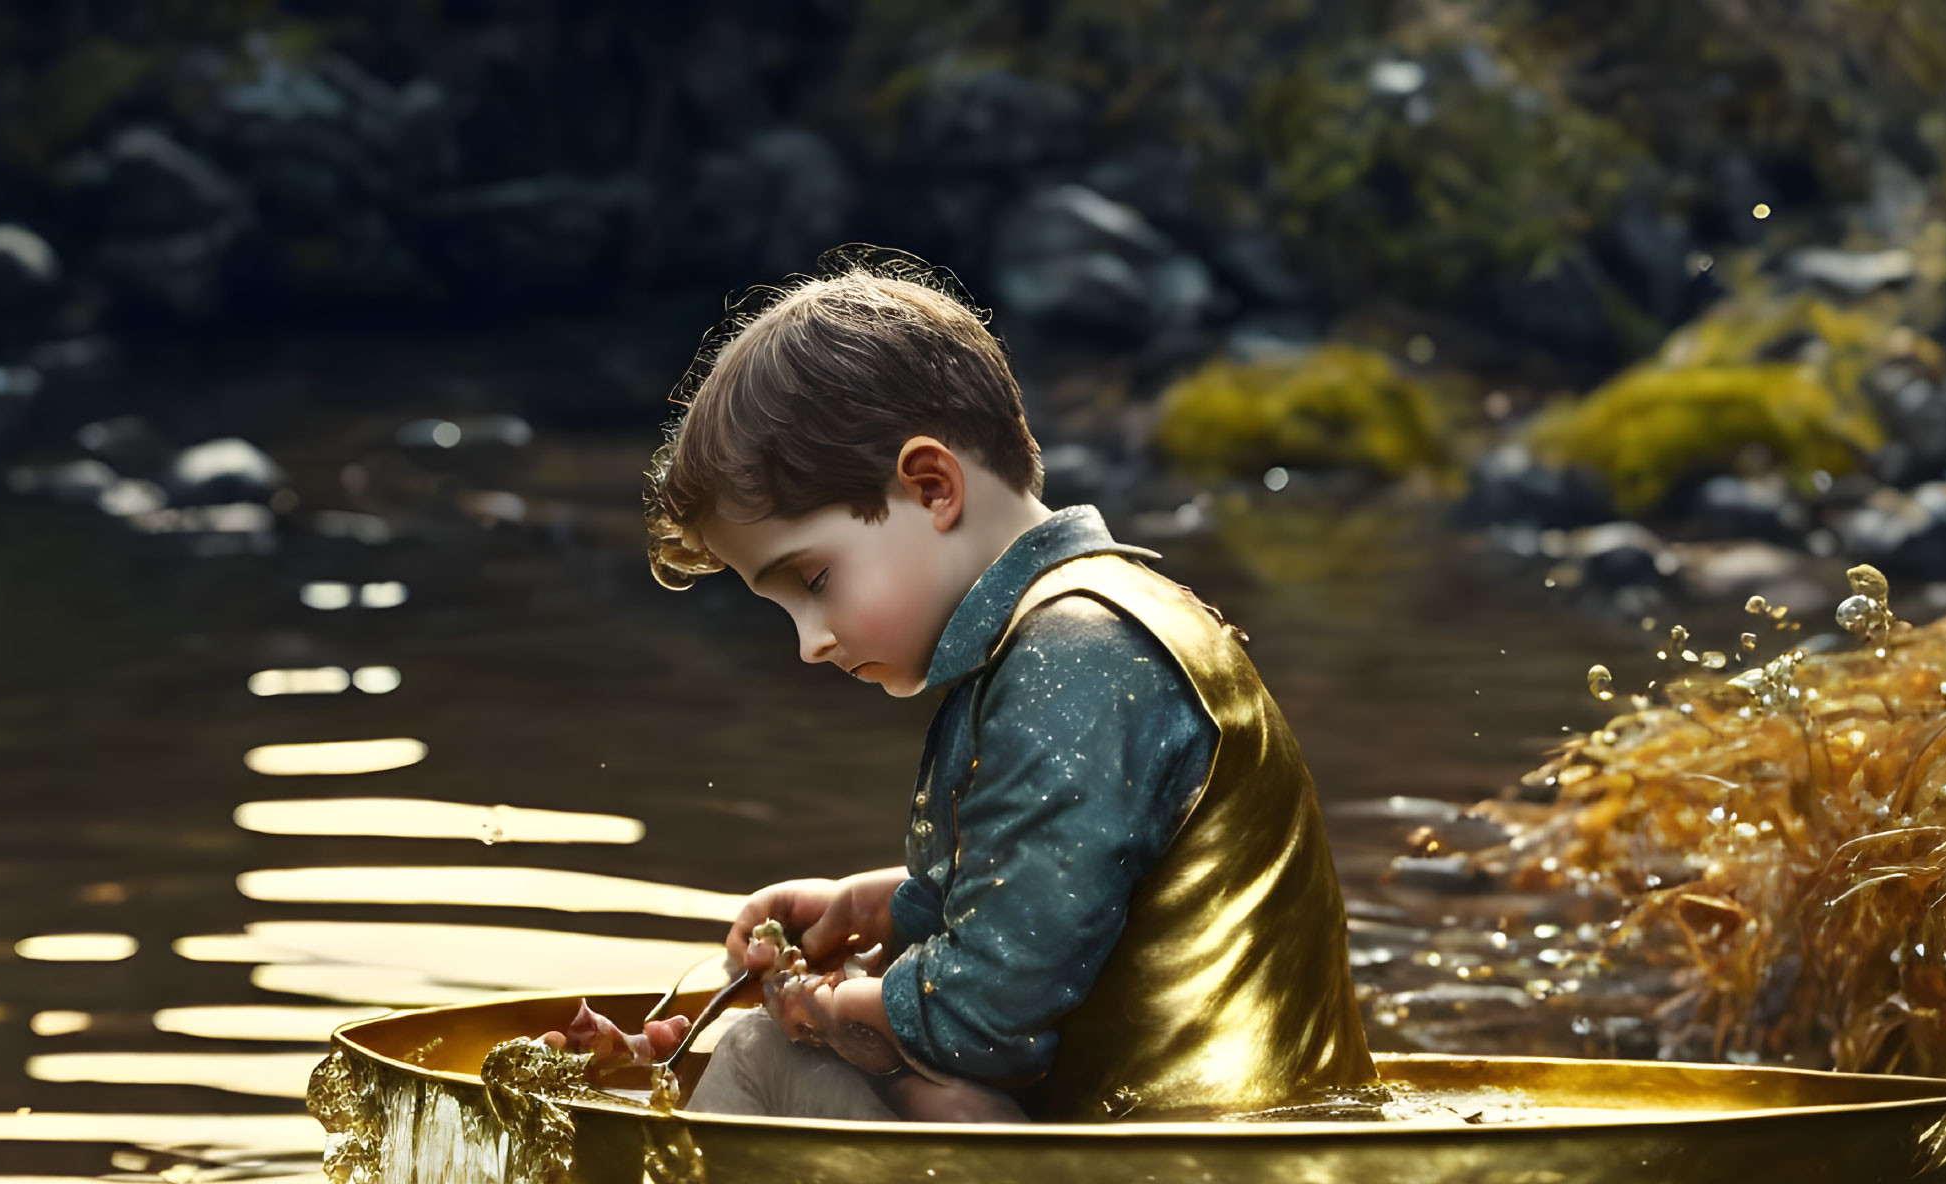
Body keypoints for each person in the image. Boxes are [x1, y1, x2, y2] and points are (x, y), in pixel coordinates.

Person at [551, 258, 1371, 1123]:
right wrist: (871, 909)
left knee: (761, 1054)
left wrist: (812, 1009)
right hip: (1209, 1140)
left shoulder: (1074, 654)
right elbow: (1062, 896)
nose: (809, 643)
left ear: (932, 486)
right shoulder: (1081, 623)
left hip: (1193, 1175)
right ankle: (653, 1107)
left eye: (815, 580)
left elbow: (984, 1022)